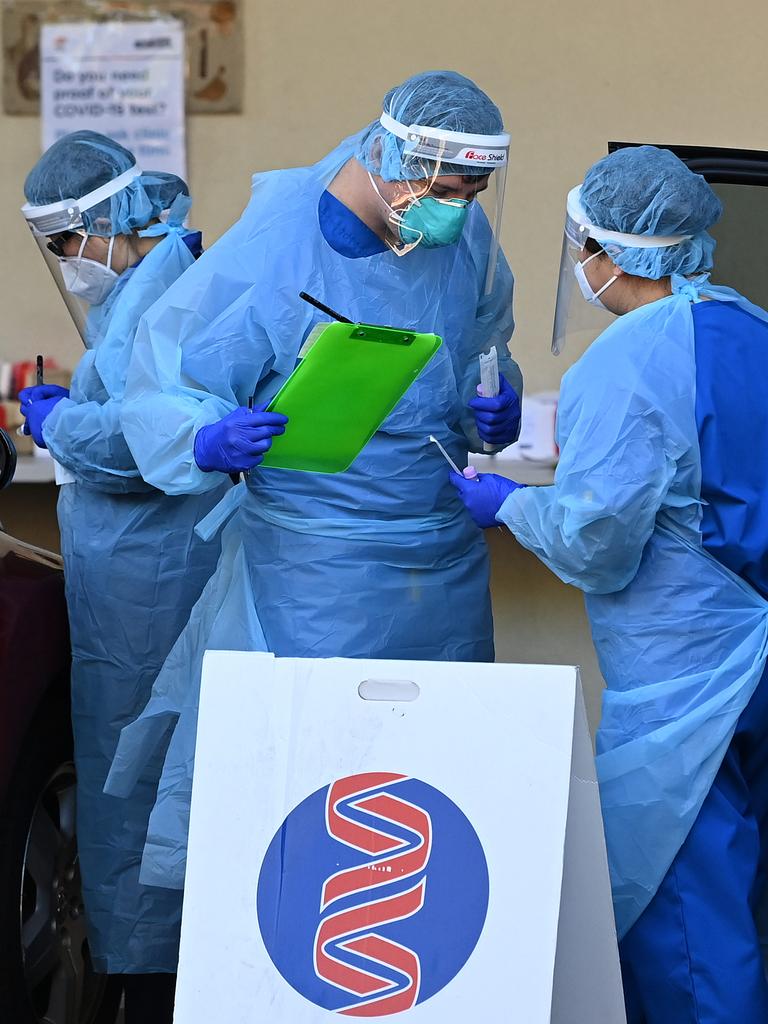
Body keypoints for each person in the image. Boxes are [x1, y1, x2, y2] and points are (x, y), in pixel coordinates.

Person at [103, 70, 522, 892]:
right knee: (308, 790)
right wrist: (205, 435)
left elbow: (482, 336)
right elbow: (161, 379)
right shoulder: (276, 246)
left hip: (438, 558)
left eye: (476, 192)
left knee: (430, 793)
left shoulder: (460, 237)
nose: (460, 208)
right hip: (312, 570)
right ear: (393, 158)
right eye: (446, 189)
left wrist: (489, 405)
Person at [452, 144, 768, 1022]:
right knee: (748, 902)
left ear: (610, 252)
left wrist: (510, 507)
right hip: (753, 659)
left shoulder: (626, 362)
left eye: (582, 244)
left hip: (686, 681)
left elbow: (599, 539)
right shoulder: (753, 328)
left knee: (690, 921)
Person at [18, 132, 240, 1022]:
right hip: (136, 585)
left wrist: (60, 423)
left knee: (147, 787)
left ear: (109, 219)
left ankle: (158, 985)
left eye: (70, 241)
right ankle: (149, 976)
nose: (69, 263)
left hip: (155, 588)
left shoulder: (169, 299)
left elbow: (140, 445)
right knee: (139, 786)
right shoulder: (148, 292)